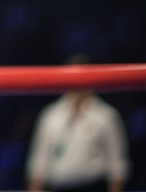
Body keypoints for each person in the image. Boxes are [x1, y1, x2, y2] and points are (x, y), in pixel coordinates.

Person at [26, 56, 130, 192]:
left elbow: (118, 165)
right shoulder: (50, 115)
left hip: (94, 186)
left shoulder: (106, 115)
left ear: (90, 78)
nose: (76, 84)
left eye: (80, 77)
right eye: (71, 77)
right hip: (56, 187)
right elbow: (38, 163)